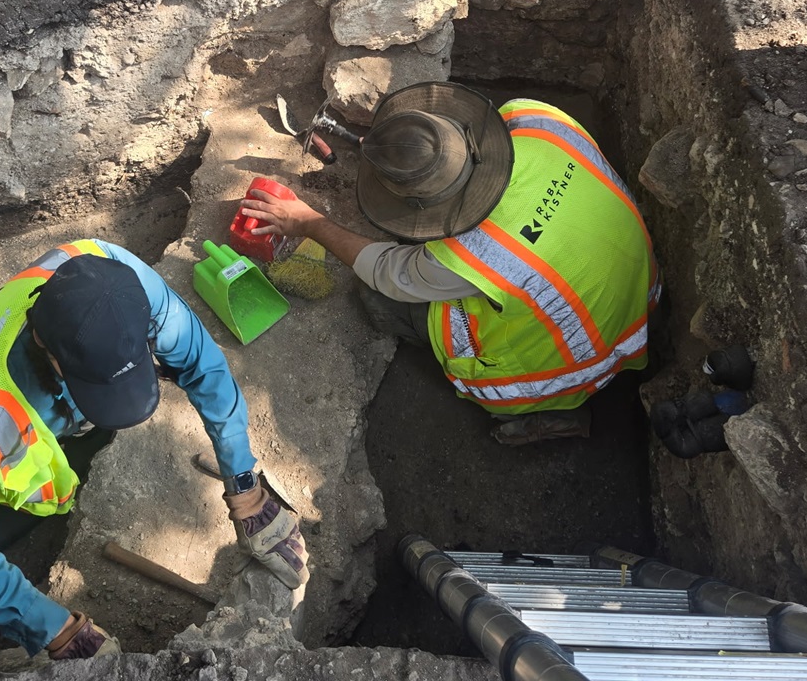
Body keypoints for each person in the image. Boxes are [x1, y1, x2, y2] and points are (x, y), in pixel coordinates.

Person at [0, 239, 307, 662]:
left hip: (56, 403)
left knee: (48, 460)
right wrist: (51, 628)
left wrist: (246, 488)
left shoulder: (109, 273)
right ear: (48, 350)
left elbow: (203, 364)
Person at [240, 83, 660, 446]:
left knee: (377, 300)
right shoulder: (534, 118)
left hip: (573, 361)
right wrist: (407, 152)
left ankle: (542, 415)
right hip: (641, 295)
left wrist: (310, 222)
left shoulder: (473, 253)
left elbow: (388, 272)